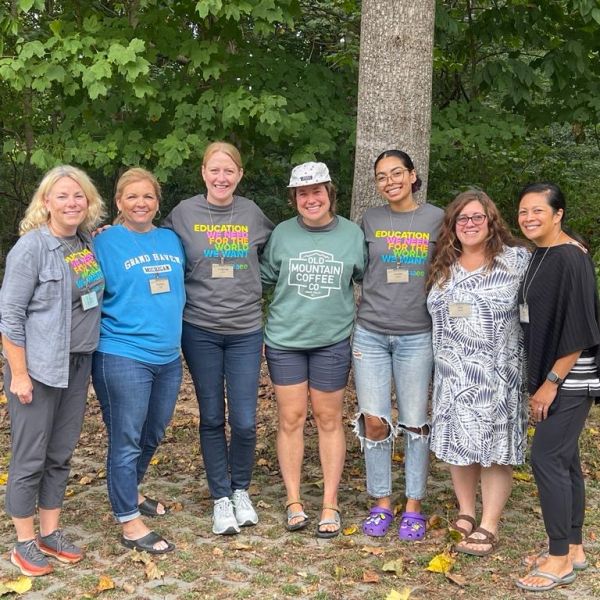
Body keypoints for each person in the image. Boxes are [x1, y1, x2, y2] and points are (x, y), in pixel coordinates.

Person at [163, 142, 274, 535]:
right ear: (203, 173)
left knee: (244, 420)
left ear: (240, 175)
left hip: (245, 330)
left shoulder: (253, 215)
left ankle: (241, 489)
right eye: (214, 170)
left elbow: (277, 256)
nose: (221, 178)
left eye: (229, 171)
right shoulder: (183, 214)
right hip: (200, 330)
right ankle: (221, 498)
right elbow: (155, 246)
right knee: (212, 417)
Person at [0, 166, 105, 576]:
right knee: (30, 456)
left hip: (77, 363)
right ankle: (23, 542)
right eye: (62, 196)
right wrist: (19, 373)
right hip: (38, 369)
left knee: (60, 454)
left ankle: (49, 532)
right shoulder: (31, 248)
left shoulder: (83, 243)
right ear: (46, 202)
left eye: (78, 196)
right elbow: (9, 315)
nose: (71, 203)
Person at [261, 161, 366, 538]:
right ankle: (293, 500)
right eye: (303, 193)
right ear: (294, 198)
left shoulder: (352, 235)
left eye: (317, 191)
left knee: (328, 419)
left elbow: (364, 277)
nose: (311, 199)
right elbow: (263, 277)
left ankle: (330, 502)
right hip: (285, 341)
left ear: (329, 193)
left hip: (332, 341)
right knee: (290, 418)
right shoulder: (282, 235)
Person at [426, 190, 530, 556]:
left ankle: (490, 523)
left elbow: (556, 264)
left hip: (498, 374)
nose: (469, 225)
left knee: (495, 450)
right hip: (452, 373)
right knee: (459, 445)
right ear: (453, 225)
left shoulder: (516, 261)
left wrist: (574, 249)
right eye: (462, 219)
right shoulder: (443, 264)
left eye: (477, 217)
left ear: (491, 222)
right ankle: (467, 512)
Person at [91, 168, 185, 554]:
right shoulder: (103, 241)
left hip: (168, 356)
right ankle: (128, 519)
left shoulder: (171, 239)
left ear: (157, 202)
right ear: (118, 203)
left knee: (154, 432)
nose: (140, 203)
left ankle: (130, 490)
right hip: (122, 353)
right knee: (127, 438)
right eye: (132, 197)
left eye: (147, 197)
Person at [352, 150, 443, 541]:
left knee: (414, 422)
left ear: (412, 175)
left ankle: (414, 505)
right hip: (370, 332)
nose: (389, 182)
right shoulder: (370, 219)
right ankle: (382, 502)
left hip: (416, 333)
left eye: (396, 174)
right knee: (374, 420)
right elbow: (357, 267)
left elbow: (469, 252)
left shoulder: (436, 219)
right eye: (381, 177)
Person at [514, 182, 600, 592]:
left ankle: (559, 558)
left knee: (546, 459)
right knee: (563, 461)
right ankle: (575, 548)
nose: (529, 218)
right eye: (523, 212)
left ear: (558, 213)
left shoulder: (571, 258)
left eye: (537, 211)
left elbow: (582, 329)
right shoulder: (541, 255)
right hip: (555, 377)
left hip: (570, 378)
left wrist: (549, 384)